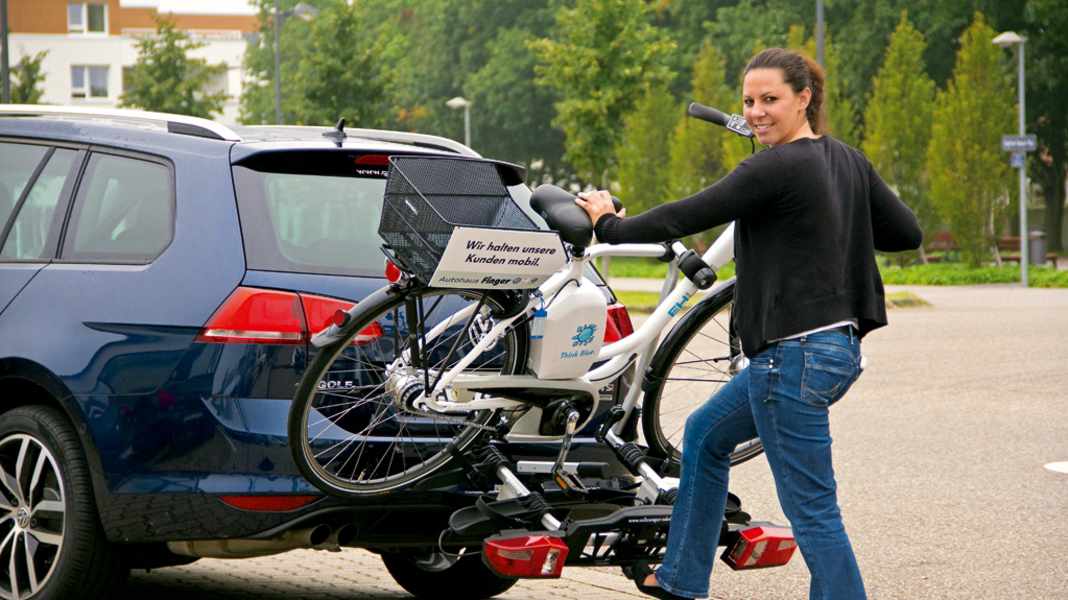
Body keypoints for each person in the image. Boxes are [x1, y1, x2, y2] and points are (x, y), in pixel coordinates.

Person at [575, 47, 922, 600]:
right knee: (705, 436)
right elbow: (906, 233)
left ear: (804, 98)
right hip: (834, 353)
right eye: (748, 101)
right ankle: (682, 577)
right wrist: (833, 218)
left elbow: (686, 214)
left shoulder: (773, 167)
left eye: (770, 100)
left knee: (812, 510)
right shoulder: (847, 160)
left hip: (793, 357)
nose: (756, 112)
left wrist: (610, 225)